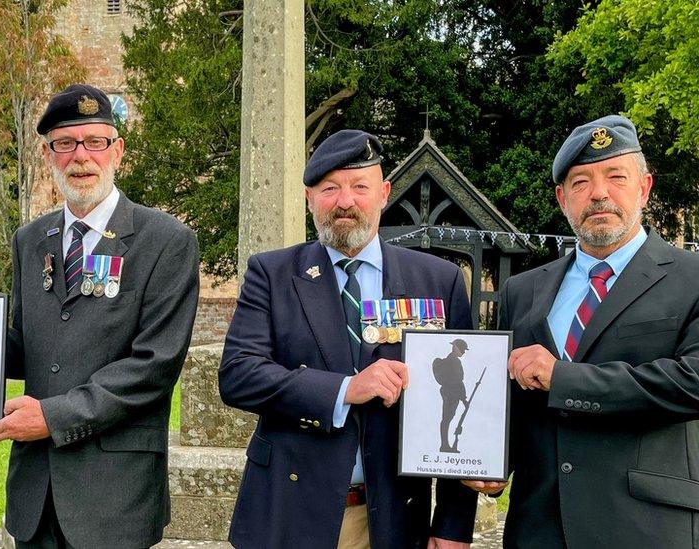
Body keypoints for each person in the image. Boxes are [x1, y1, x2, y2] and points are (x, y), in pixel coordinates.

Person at [219, 129, 478, 549]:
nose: (345, 202)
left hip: (394, 518)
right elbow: (238, 375)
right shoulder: (272, 274)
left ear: (384, 193)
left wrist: (452, 525)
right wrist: (345, 389)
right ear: (309, 198)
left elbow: (464, 411)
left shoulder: (438, 280)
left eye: (360, 187)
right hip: (288, 514)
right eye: (330, 189)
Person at [0, 84, 200, 549]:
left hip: (115, 493)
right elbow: (30, 346)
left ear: (117, 151)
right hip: (36, 493)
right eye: (65, 143)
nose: (81, 157)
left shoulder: (166, 240)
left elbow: (154, 366)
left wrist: (52, 418)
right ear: (47, 154)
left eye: (95, 141)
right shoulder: (30, 239)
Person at [465, 115, 699, 548]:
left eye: (616, 177)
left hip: (646, 528)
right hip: (538, 529)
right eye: (581, 182)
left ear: (644, 188)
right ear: (562, 198)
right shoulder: (523, 290)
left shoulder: (692, 277)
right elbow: (512, 402)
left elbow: (693, 383)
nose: (599, 193)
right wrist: (494, 465)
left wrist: (564, 378)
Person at [433, 339, 469, 452]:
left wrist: (463, 398)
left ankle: (445, 445)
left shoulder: (455, 361)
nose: (463, 352)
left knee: (447, 418)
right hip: (451, 393)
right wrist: (463, 398)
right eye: (462, 349)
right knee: (446, 419)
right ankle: (444, 445)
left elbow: (459, 381)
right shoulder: (451, 362)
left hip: (454, 393)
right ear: (455, 348)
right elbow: (457, 381)